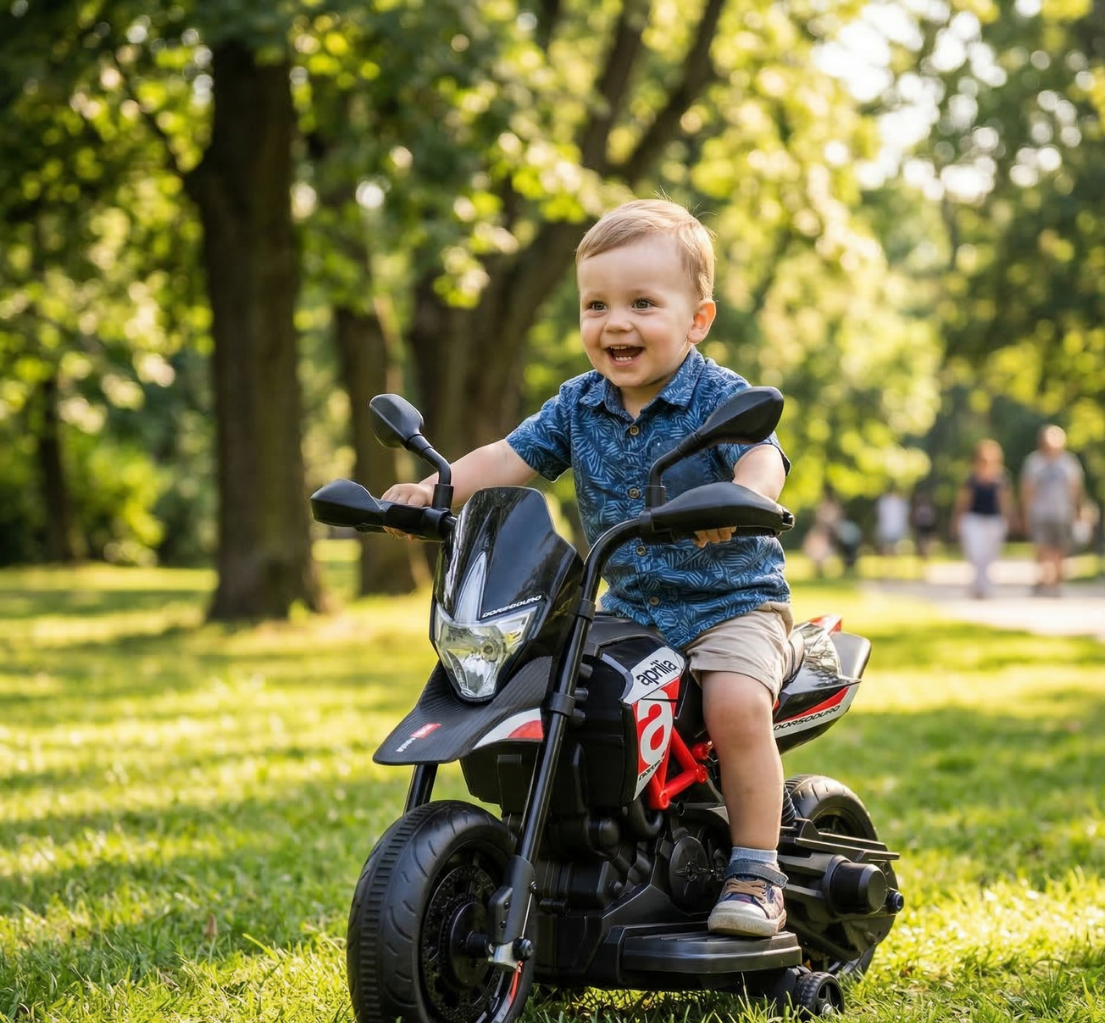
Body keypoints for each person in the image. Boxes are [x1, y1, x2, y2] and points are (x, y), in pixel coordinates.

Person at [382, 199, 792, 939]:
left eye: (642, 303)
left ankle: (756, 869)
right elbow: (508, 458)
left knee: (733, 703)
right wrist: (437, 489)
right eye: (595, 304)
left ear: (696, 319)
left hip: (731, 605)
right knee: (551, 694)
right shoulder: (577, 404)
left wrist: (748, 494)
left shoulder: (717, 397)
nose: (616, 323)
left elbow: (762, 453)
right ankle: (557, 850)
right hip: (630, 608)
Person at [1020, 424, 1084, 596]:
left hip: (1063, 513)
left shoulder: (1069, 463)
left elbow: (1076, 489)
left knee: (1060, 548)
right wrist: (1025, 513)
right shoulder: (1034, 462)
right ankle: (1045, 578)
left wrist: (1078, 511)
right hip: (1040, 513)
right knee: (1042, 547)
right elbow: (1027, 490)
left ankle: (1055, 581)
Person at [951, 439, 1016, 598]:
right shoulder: (971, 479)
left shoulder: (1001, 478)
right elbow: (963, 501)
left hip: (994, 521)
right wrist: (956, 520)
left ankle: (985, 586)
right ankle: (977, 586)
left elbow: (1005, 502)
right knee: (976, 554)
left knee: (990, 555)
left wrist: (1011, 518)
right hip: (974, 520)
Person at [874, 485, 909, 557]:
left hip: (896, 527)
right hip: (887, 527)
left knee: (894, 545)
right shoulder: (884, 501)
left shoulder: (901, 502)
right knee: (886, 545)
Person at [911, 489, 937, 563]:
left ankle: (925, 555)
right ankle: (923, 555)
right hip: (923, 527)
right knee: (923, 542)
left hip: (926, 527)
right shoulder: (922, 509)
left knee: (925, 542)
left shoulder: (925, 509)